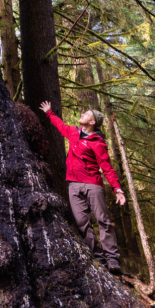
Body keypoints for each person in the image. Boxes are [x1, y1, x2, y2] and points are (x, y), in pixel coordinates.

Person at [40, 101, 126, 274]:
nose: (82, 115)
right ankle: (99, 259)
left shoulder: (97, 142)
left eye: (87, 114)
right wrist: (49, 113)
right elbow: (60, 125)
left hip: (93, 185)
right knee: (82, 224)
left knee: (103, 221)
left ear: (93, 122)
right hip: (73, 186)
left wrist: (117, 189)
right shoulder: (73, 132)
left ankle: (113, 260)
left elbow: (107, 168)